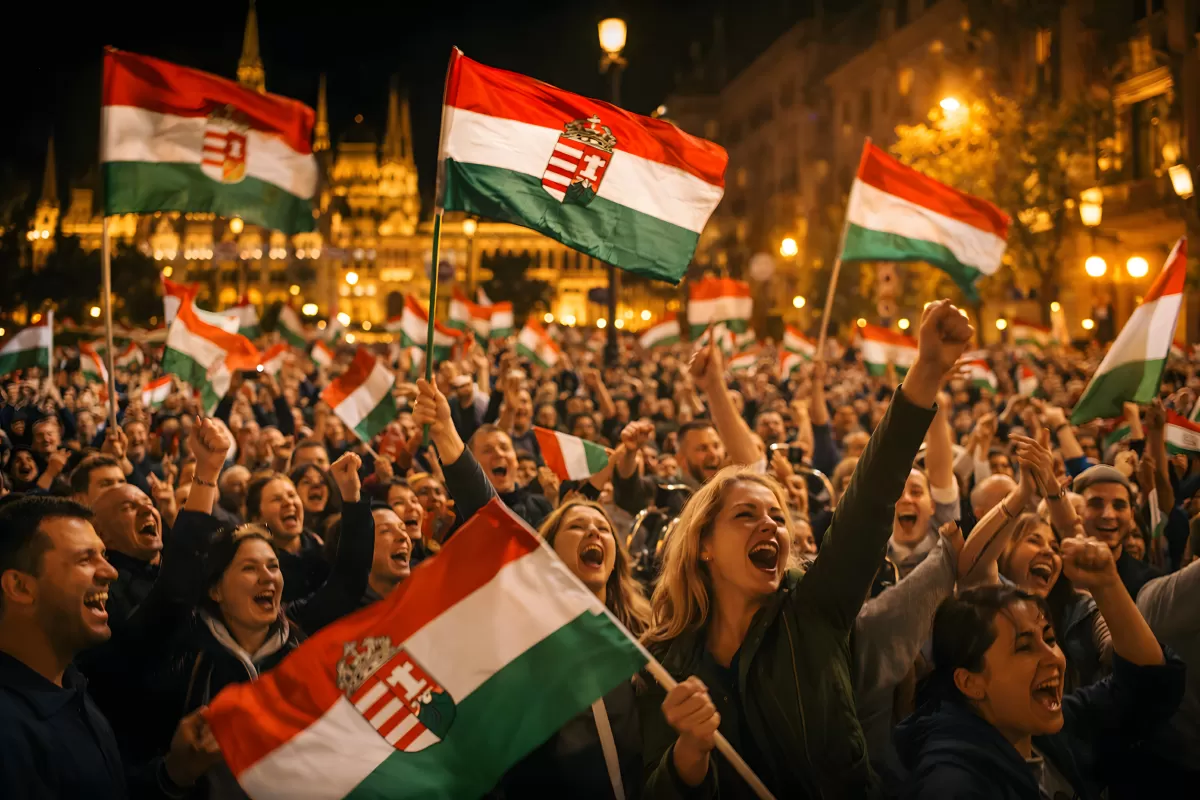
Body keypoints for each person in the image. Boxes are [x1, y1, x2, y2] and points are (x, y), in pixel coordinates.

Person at [638, 300, 970, 798]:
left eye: (777, 515)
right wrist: (686, 758)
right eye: (746, 515)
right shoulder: (660, 661)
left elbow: (870, 497)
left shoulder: (813, 610)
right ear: (703, 545)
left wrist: (925, 372)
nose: (770, 525)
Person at [896, 537, 1185, 799]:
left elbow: (1148, 687)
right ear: (969, 682)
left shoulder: (1040, 733)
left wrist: (1107, 585)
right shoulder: (953, 785)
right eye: (1024, 646)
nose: (1053, 657)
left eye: (1049, 638)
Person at [0, 495, 220, 798]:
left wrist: (173, 773)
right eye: (84, 559)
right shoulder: (9, 733)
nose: (110, 572)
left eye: (103, 556)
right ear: (20, 587)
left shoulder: (72, 686)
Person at [491, 500, 649, 798]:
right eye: (577, 526)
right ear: (547, 553)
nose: (593, 532)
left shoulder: (643, 635)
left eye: (604, 529)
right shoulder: (524, 644)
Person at [415, 382, 554, 531]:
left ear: (515, 459)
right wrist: (443, 432)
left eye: (504, 448)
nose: (499, 453)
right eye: (487, 450)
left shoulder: (541, 505)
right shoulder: (458, 514)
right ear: (473, 463)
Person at [1072, 465, 1162, 600]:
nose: (1108, 515)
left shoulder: (1151, 583)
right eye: (1096, 504)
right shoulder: (1056, 575)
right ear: (1076, 511)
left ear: (1131, 515)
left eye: (1119, 506)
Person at [244, 471, 328, 601]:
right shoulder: (260, 571)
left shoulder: (322, 546)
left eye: (292, 495)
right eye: (277, 499)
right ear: (257, 518)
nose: (289, 503)